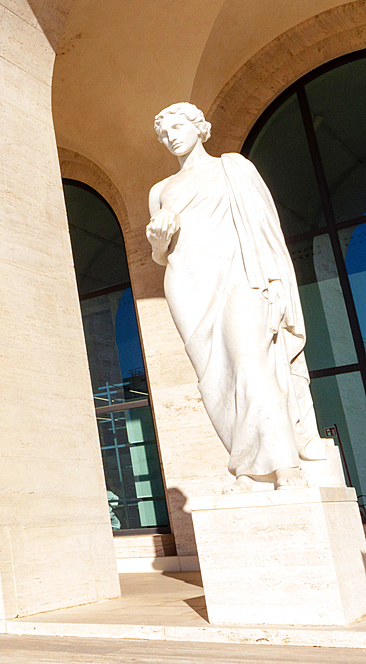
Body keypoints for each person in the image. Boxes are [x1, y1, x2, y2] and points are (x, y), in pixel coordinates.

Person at [147, 102, 327, 493]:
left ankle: (283, 466)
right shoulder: (160, 191)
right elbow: (161, 255)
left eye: (178, 126)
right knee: (216, 378)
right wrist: (158, 242)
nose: (171, 136)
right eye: (165, 133)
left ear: (200, 128)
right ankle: (244, 470)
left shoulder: (233, 167)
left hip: (241, 276)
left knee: (251, 363)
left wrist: (276, 282)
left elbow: (265, 227)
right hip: (188, 285)